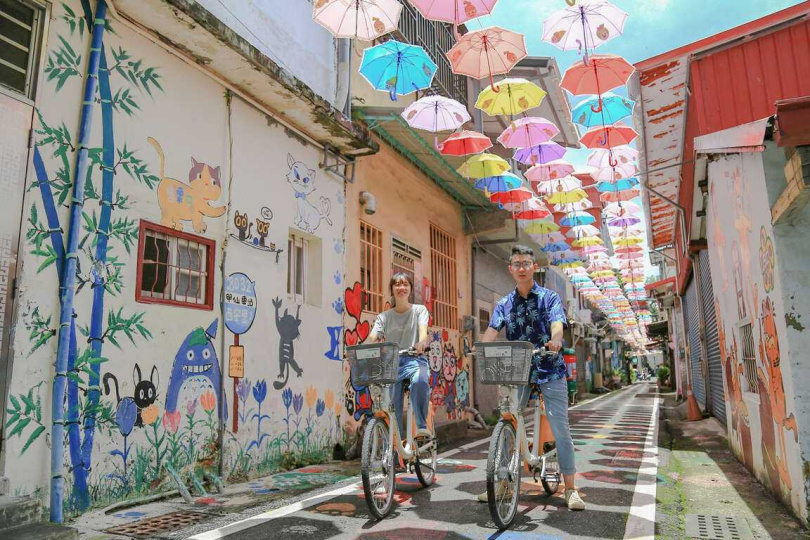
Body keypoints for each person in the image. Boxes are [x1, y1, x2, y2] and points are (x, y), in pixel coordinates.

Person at [477, 245, 585, 511]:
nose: (522, 268)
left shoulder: (550, 297)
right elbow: (492, 330)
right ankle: (502, 482)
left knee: (560, 427)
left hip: (550, 366)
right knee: (508, 420)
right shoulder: (505, 303)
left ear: (534, 267)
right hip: (518, 369)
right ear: (510, 269)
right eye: (517, 264)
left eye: (526, 263)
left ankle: (571, 488)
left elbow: (557, 324)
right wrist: (481, 349)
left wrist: (556, 340)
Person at [369, 273, 432, 441]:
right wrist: (359, 349)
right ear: (392, 289)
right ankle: (396, 444)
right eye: (397, 284)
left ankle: (421, 426)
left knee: (419, 381)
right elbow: (371, 338)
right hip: (392, 364)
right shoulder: (384, 317)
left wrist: (421, 343)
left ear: (410, 289)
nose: (401, 287)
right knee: (390, 405)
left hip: (415, 359)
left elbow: (423, 332)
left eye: (405, 284)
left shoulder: (419, 310)